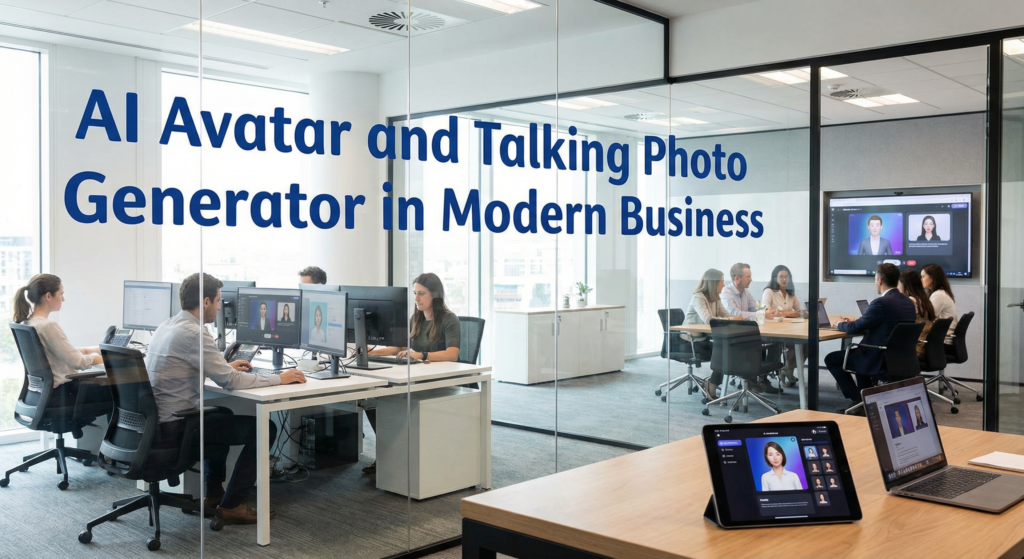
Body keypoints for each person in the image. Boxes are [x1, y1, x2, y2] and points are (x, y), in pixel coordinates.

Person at [145, 273, 306, 523]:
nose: (220, 307)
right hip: (176, 427)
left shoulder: (168, 325)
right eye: (219, 301)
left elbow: (194, 365)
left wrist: (223, 364)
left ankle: (214, 493)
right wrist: (280, 378)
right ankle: (232, 505)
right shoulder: (195, 333)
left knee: (224, 414)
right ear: (206, 301)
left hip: (157, 424)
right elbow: (231, 381)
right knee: (265, 428)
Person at [365, 273, 462, 475]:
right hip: (416, 376)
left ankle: (396, 453)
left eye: (421, 294)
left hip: (438, 381)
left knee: (387, 400)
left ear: (434, 295)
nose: (416, 298)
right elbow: (400, 346)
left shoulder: (448, 319)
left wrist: (421, 354)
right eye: (415, 293)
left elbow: (453, 354)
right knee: (372, 401)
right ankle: (389, 451)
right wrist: (373, 352)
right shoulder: (416, 318)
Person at [825, 264, 916, 410]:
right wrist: (862, 320)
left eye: (875, 279)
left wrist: (840, 323)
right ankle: (865, 400)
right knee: (860, 355)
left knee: (832, 359)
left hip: (878, 358)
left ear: (879, 280)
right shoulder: (908, 302)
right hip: (901, 358)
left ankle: (859, 398)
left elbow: (855, 328)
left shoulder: (881, 303)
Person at [12, 273, 110, 408]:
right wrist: (108, 357)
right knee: (117, 391)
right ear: (48, 296)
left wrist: (91, 350)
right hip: (61, 396)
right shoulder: (48, 326)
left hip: (40, 396)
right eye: (61, 294)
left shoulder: (28, 323)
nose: (63, 299)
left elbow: (52, 354)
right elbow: (78, 362)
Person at [721, 263, 779, 394]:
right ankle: (751, 379)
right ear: (737, 278)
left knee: (776, 343)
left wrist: (766, 311)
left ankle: (763, 378)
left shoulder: (746, 292)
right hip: (734, 336)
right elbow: (735, 313)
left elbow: (755, 309)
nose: (751, 279)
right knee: (757, 344)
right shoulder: (726, 292)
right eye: (748, 277)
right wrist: (760, 314)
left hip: (748, 333)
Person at [684, 268, 740, 398]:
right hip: (692, 341)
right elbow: (708, 319)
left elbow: (726, 315)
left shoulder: (715, 298)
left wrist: (735, 318)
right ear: (713, 283)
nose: (724, 285)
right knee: (725, 349)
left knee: (729, 347)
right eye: (722, 282)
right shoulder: (699, 297)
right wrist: (730, 319)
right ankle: (712, 383)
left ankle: (713, 383)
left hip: (706, 338)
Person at [761, 265, 803, 386]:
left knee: (805, 345)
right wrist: (791, 313)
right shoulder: (769, 291)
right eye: (781, 277)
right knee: (785, 344)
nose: (784, 279)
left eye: (786, 277)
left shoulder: (791, 293)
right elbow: (768, 312)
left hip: (789, 328)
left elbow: (799, 311)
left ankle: (789, 369)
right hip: (773, 329)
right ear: (775, 278)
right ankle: (777, 373)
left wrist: (783, 313)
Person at [898, 269, 935, 359]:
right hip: (923, 347)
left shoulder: (911, 301)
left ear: (904, 285)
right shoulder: (924, 300)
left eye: (898, 284)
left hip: (914, 349)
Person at [921, 263, 958, 344]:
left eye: (923, 276)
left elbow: (928, 318)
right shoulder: (940, 293)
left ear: (932, 278)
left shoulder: (938, 295)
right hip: (943, 337)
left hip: (943, 340)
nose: (921, 279)